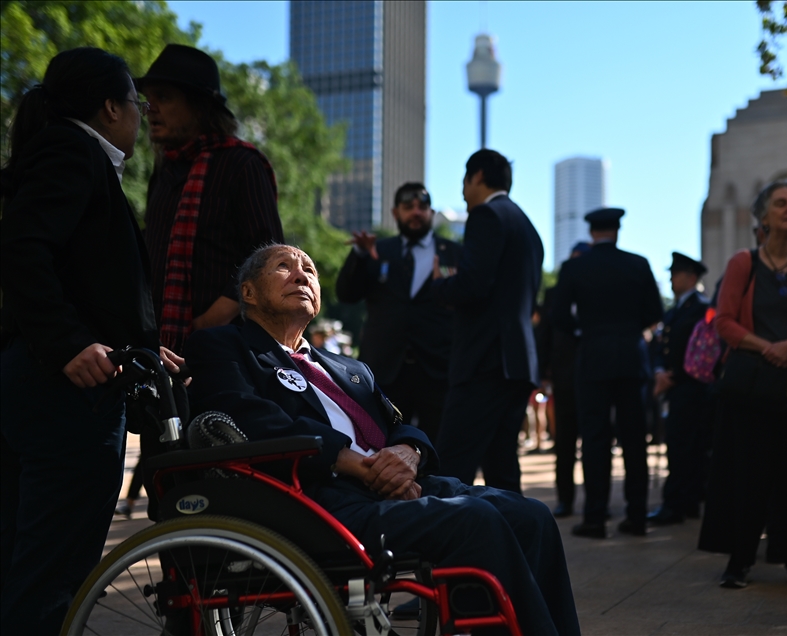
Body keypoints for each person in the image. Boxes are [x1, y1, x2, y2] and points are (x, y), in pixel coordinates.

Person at [184, 244, 581, 636]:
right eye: (283, 267)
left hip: (395, 487)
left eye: (310, 269)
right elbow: (251, 419)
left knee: (532, 517)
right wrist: (359, 465)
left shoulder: (349, 367)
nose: (302, 274)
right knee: (476, 521)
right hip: (319, 502)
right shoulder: (224, 346)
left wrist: (409, 454)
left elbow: (398, 426)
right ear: (249, 293)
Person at [0, 47, 183, 634]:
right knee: (52, 575)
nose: (142, 113)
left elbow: (88, 282)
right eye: (137, 101)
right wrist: (68, 344)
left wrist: (142, 347)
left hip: (49, 386)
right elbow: (25, 250)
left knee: (27, 563)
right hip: (64, 396)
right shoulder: (71, 153)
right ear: (110, 108)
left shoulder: (72, 156)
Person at [699, 180, 787, 590]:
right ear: (763, 216)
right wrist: (770, 348)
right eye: (781, 203)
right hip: (750, 388)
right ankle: (739, 561)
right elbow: (725, 322)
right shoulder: (743, 263)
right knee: (747, 474)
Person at [137, 44, 284, 354]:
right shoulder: (164, 170)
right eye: (148, 99)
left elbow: (268, 255)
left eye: (163, 97)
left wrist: (213, 318)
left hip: (228, 348)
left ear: (200, 106)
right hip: (160, 347)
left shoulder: (242, 164)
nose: (151, 108)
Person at [431, 149, 544, 494]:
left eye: (464, 182)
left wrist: (440, 284)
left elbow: (473, 285)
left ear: (477, 176)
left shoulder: (486, 216)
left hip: (485, 360)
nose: (463, 193)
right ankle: (514, 544)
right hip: (517, 362)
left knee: (450, 467)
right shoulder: (528, 227)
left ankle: (440, 546)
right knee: (502, 468)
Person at [551, 208, 665, 538]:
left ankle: (595, 517)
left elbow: (559, 316)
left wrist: (585, 331)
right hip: (631, 357)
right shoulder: (638, 264)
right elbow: (654, 313)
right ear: (617, 230)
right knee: (633, 439)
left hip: (593, 358)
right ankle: (637, 515)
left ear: (592, 232)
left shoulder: (574, 267)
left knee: (595, 439)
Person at [336, 183, 462, 442]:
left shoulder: (454, 253)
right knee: (383, 447)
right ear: (395, 213)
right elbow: (346, 294)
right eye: (408, 207)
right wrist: (359, 255)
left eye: (422, 207)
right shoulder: (376, 250)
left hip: (437, 370)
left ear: (431, 212)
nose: (416, 212)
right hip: (384, 372)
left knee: (439, 453)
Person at [648, 252, 711, 525]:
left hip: (693, 387)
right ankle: (683, 501)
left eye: (676, 274)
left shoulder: (702, 307)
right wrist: (660, 370)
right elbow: (662, 346)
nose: (671, 279)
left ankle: (681, 502)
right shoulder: (674, 311)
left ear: (690, 276)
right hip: (676, 386)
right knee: (680, 445)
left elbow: (706, 349)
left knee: (688, 446)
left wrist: (676, 374)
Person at [537, 241, 590, 517]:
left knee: (594, 442)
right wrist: (543, 372)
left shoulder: (597, 290)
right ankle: (565, 499)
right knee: (565, 443)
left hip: (593, 377)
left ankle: (595, 503)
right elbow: (545, 333)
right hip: (564, 376)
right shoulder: (555, 293)